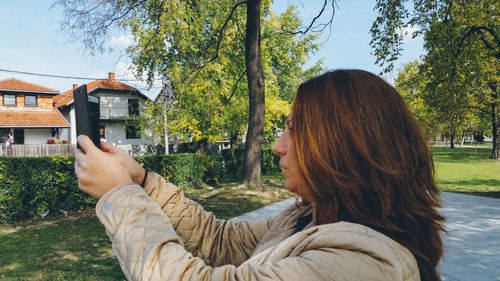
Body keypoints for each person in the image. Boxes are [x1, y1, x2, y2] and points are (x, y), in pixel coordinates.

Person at [75, 69, 445, 281]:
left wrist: (121, 196)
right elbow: (219, 241)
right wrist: (141, 181)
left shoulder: (362, 263)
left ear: (343, 147)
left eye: (295, 130)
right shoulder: (307, 217)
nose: (277, 147)